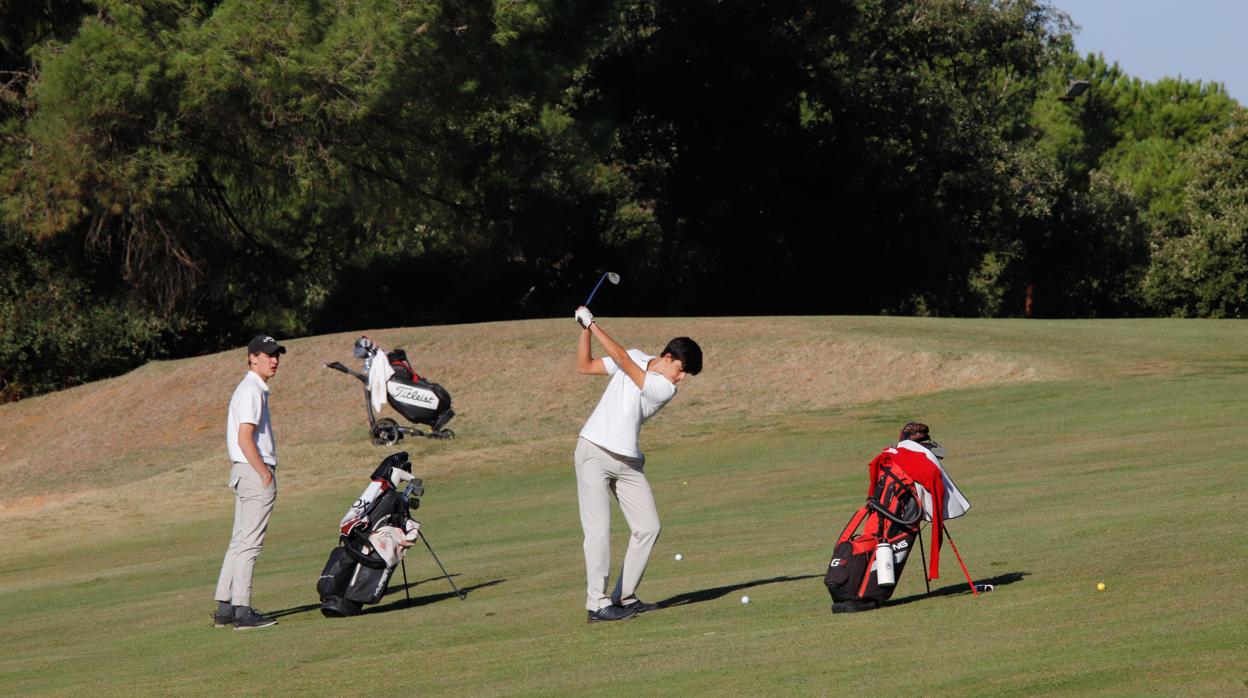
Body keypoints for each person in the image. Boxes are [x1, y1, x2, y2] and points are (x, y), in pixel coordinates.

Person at [571, 305, 703, 622]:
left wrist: (594, 322)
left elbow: (624, 362)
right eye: (682, 369)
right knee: (599, 531)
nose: (682, 378)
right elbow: (585, 366)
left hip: (628, 462)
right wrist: (585, 330)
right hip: (593, 452)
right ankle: (597, 604)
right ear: (668, 357)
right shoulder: (636, 356)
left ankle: (624, 596)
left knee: (648, 527)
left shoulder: (663, 388)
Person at [212, 334, 286, 630]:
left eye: (277, 355)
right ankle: (242, 611)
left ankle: (226, 609)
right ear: (252, 357)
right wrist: (265, 474)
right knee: (250, 545)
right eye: (268, 355)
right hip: (254, 471)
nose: (274, 360)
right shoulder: (252, 389)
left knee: (239, 541)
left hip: (243, 472)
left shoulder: (251, 388)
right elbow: (245, 438)